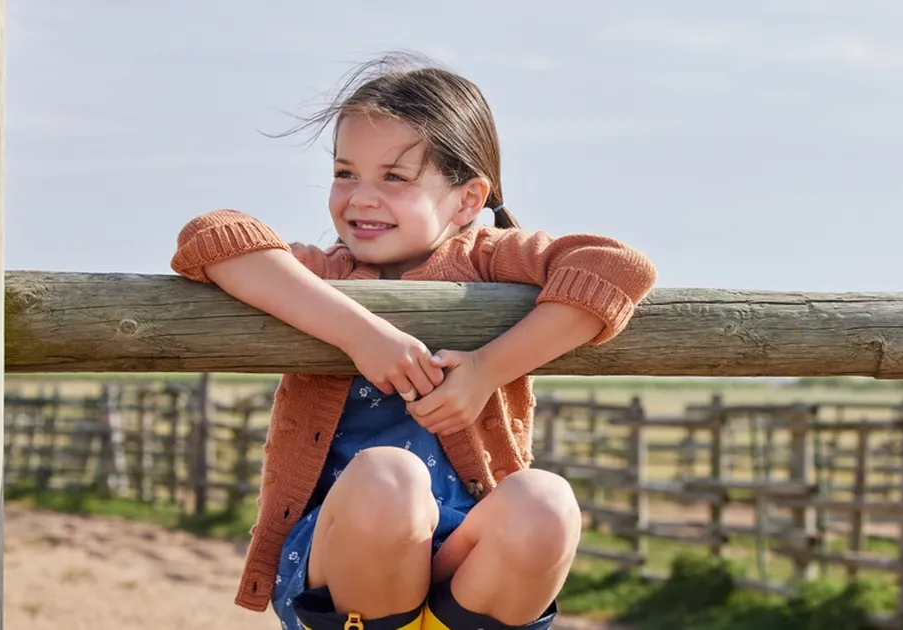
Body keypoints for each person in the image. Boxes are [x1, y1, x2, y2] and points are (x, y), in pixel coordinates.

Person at [170, 52, 658, 630]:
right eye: (345, 173)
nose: (360, 197)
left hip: (464, 547)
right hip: (340, 552)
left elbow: (618, 267)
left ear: (468, 200)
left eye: (394, 178)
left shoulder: (491, 260)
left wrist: (486, 371)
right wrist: (361, 333)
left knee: (545, 502)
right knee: (389, 478)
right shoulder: (322, 275)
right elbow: (211, 237)